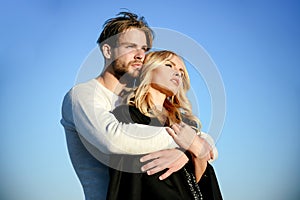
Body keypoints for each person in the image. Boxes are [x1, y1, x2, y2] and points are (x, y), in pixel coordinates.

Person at [60, 11, 216, 200]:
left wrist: (188, 151)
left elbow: (201, 142)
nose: (140, 55)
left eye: (144, 48)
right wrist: (186, 144)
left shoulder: (136, 101)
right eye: (130, 46)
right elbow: (113, 139)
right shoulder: (82, 95)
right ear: (108, 51)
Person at [106, 50, 222, 200]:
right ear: (148, 69)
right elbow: (135, 176)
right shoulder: (127, 115)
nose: (178, 73)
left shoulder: (185, 124)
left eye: (181, 72)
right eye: (169, 65)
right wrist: (185, 147)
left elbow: (199, 182)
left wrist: (192, 155)